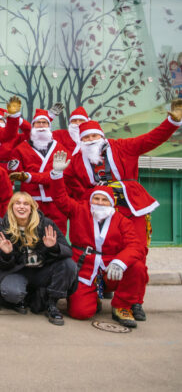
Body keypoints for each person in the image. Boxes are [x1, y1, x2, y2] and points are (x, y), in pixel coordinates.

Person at [63, 102, 182, 319]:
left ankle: (132, 300)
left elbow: (150, 139)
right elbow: (67, 181)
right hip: (98, 210)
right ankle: (96, 290)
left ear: (101, 136)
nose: (90, 141)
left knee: (137, 255)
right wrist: (84, 199)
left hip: (130, 208)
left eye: (93, 136)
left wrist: (172, 122)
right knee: (98, 251)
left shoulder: (122, 146)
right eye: (86, 138)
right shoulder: (77, 161)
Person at [49, 151, 147, 328]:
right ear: (90, 200)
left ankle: (122, 306)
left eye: (104, 200)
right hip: (85, 266)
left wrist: (120, 262)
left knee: (137, 267)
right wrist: (56, 175)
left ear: (112, 203)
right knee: (80, 313)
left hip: (111, 267)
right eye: (96, 199)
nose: (100, 203)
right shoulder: (79, 210)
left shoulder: (122, 221)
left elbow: (135, 245)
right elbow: (60, 198)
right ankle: (91, 297)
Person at [0, 193, 77, 325]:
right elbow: (1, 264)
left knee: (69, 265)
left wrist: (54, 247)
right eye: (17, 203)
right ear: (11, 207)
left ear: (32, 207)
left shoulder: (46, 224)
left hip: (42, 270)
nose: (21, 207)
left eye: (26, 204)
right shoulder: (5, 226)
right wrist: (7, 254)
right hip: (19, 271)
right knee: (11, 293)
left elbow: (67, 251)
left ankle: (52, 303)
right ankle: (27, 298)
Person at [7, 108, 70, 235]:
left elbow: (62, 175)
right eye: (38, 123)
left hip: (55, 200)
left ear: (49, 126)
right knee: (31, 233)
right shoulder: (20, 149)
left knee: (57, 235)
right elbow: (15, 173)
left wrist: (29, 177)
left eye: (44, 123)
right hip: (31, 201)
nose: (41, 126)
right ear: (33, 126)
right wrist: (13, 169)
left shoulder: (60, 148)